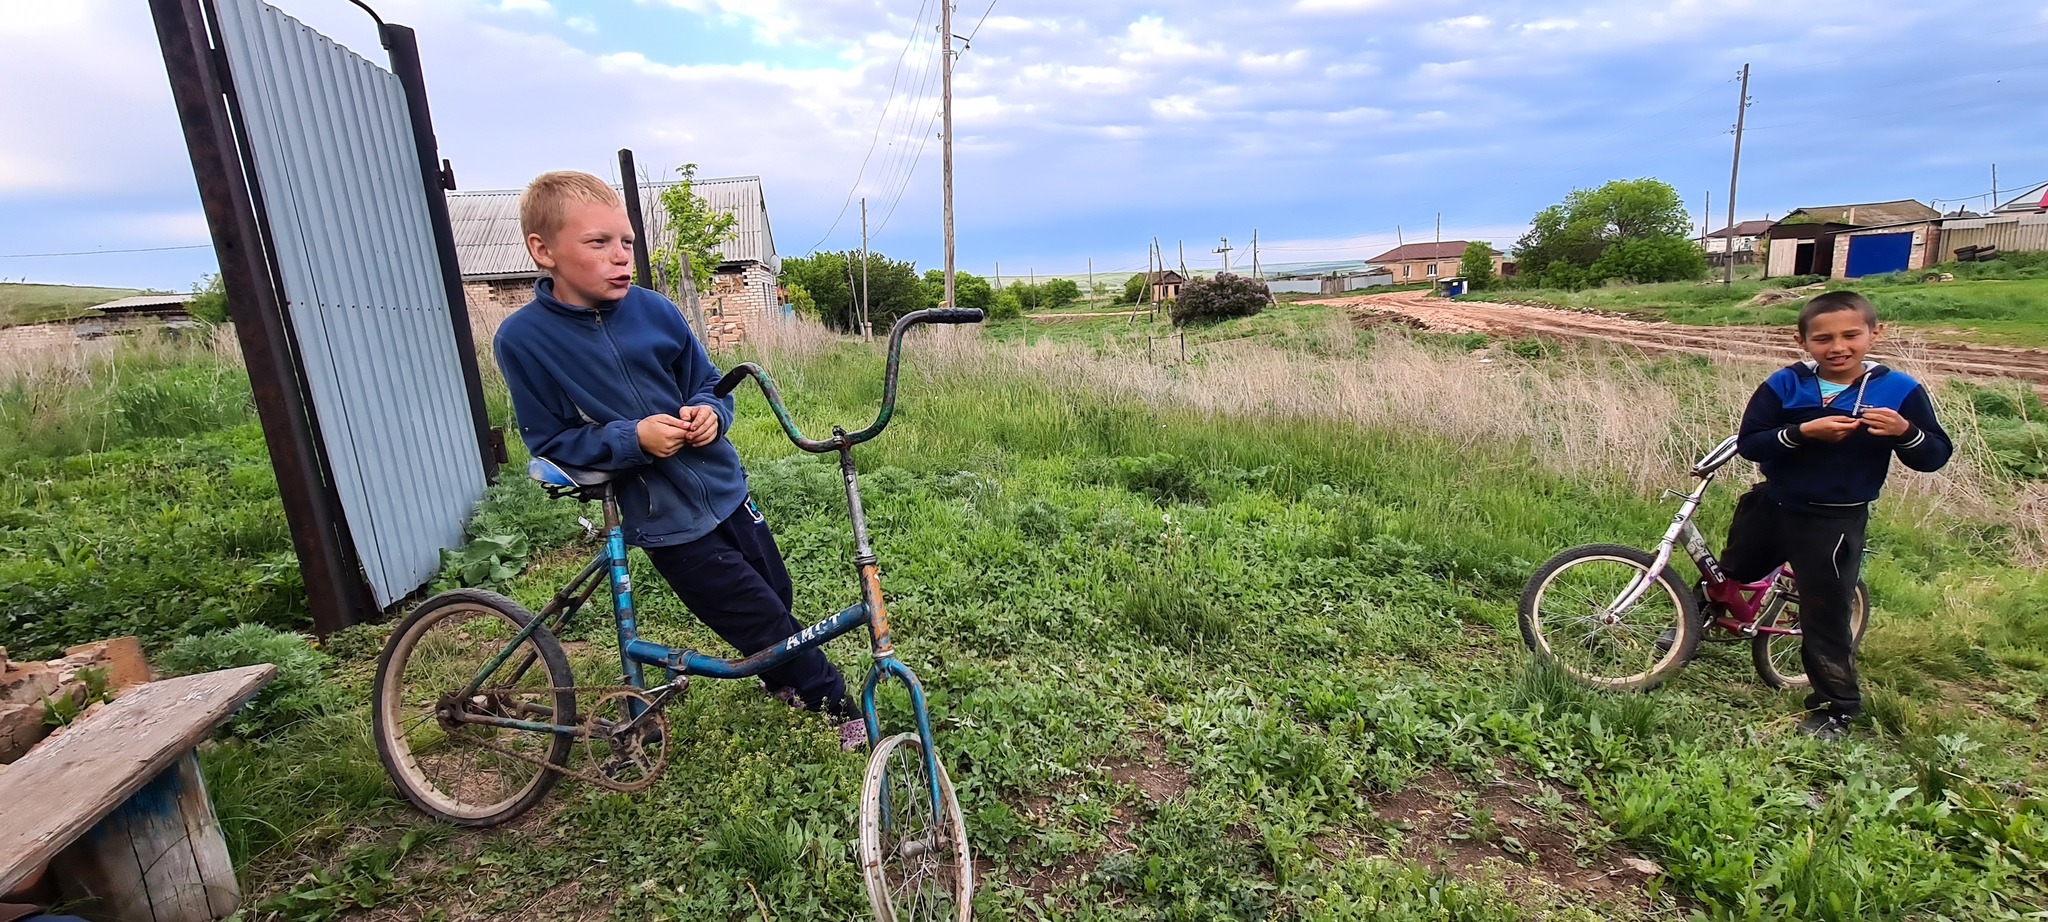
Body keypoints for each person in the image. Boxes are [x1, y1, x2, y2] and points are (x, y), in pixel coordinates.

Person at [491, 171, 862, 749]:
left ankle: (780, 679)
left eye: (626, 244)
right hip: (662, 515)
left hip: (723, 486)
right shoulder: (524, 339)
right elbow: (551, 441)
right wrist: (632, 439)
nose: (620, 258)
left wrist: (712, 413)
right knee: (759, 617)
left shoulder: (656, 311)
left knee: (775, 594)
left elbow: (709, 386)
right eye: (598, 244)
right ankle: (836, 706)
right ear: (544, 251)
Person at [1726, 290, 1952, 740]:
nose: (1838, 347)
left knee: (1823, 613)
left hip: (1833, 520)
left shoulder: (1899, 390)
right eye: (1823, 338)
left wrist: (1905, 431)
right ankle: (1688, 629)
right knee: (1728, 571)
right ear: (1802, 340)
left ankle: (1836, 708)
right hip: (1773, 503)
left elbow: (1935, 455)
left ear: (1875, 333)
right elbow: (1750, 442)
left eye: (1851, 335)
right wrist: (1801, 432)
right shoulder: (1785, 384)